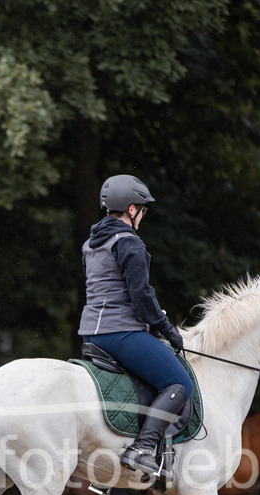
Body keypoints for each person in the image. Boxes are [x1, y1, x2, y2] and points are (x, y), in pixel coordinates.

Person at [78, 174, 192, 479]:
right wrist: (168, 330)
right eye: (142, 210)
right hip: (121, 333)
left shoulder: (92, 243)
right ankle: (142, 448)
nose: (143, 216)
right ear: (131, 209)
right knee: (179, 383)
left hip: (91, 333)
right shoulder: (130, 243)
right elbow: (141, 296)